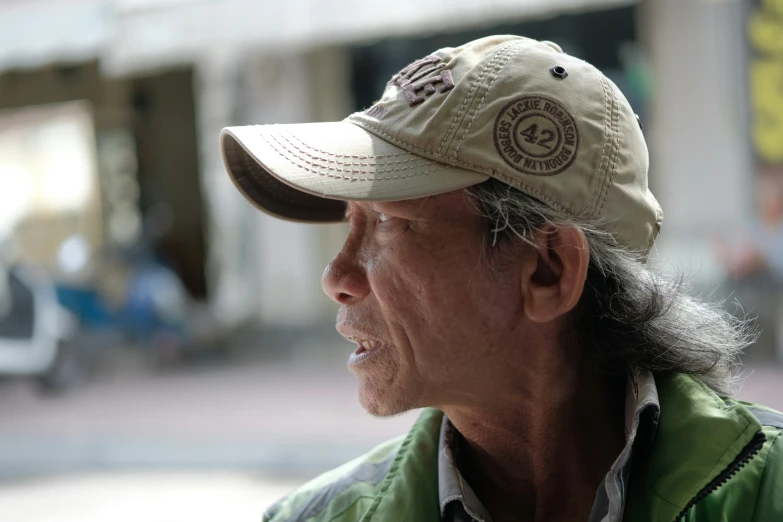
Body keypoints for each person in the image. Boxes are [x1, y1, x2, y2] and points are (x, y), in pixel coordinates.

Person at [220, 36, 783, 522]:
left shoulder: (766, 494)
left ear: (549, 270)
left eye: (389, 224)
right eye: (351, 222)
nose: (336, 276)